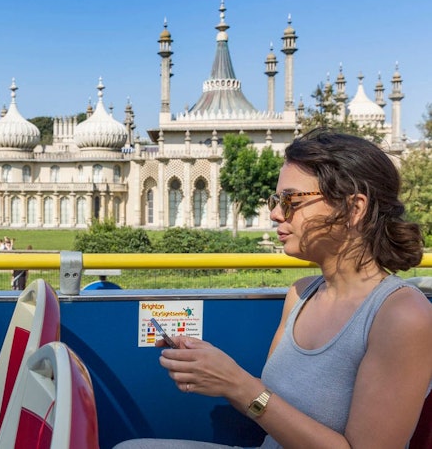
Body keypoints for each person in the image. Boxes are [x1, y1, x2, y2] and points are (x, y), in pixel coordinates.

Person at [114, 129, 432, 449]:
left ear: (353, 209)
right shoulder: (301, 295)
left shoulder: (402, 317)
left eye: (291, 200)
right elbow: (268, 408)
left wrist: (239, 384)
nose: (275, 213)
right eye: (275, 200)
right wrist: (217, 373)